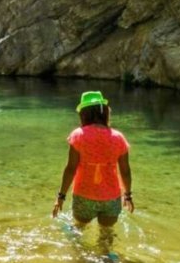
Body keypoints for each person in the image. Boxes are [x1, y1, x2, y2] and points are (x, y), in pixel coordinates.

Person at [52, 91, 134, 254]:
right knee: (106, 236)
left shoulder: (78, 136)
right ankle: (108, 262)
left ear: (83, 114)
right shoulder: (118, 138)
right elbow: (125, 171)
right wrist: (128, 195)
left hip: (84, 195)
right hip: (111, 198)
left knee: (77, 231)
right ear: (105, 112)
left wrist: (61, 196)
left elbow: (70, 168)